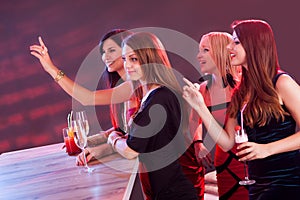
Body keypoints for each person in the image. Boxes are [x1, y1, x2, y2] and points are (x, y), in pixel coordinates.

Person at [182, 19, 300, 200]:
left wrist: (267, 149)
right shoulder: (241, 91)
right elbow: (227, 143)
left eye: (236, 42)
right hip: (256, 182)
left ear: (254, 44)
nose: (229, 48)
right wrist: (199, 106)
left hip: (287, 180)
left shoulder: (282, 82)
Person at [106, 32, 198, 199]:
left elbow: (130, 151)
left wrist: (113, 139)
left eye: (134, 59)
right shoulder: (152, 95)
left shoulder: (159, 99)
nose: (127, 65)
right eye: (125, 59)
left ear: (149, 59)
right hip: (166, 190)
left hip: (175, 193)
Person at [194, 32, 247, 199]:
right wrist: (198, 142)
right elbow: (197, 120)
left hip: (247, 159)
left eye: (205, 50)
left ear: (220, 52)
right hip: (222, 160)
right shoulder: (203, 89)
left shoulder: (244, 86)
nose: (198, 56)